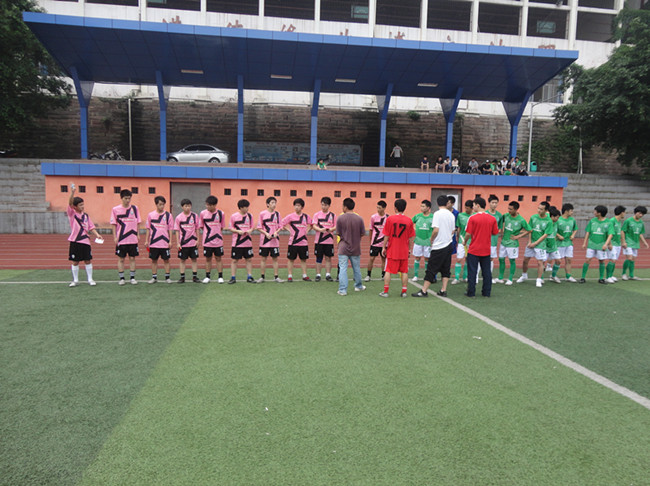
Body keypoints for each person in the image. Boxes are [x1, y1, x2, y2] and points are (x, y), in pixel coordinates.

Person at [412, 195, 456, 298]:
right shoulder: (451, 215)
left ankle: (424, 291)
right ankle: (443, 290)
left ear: (437, 203)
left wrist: (431, 239)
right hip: (448, 244)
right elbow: (453, 230)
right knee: (446, 269)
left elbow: (436, 230)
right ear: (447, 203)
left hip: (439, 246)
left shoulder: (437, 214)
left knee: (431, 268)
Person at [67, 183, 103, 287]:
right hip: (75, 241)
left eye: (83, 204)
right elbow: (70, 203)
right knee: (75, 261)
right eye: (80, 205)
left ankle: (90, 279)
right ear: (75, 207)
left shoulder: (86, 216)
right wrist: (72, 193)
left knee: (88, 260)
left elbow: (91, 227)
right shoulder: (72, 214)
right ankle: (75, 280)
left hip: (85, 241)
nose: (82, 206)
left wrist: (97, 234)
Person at [379, 199, 415, 298]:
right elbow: (411, 237)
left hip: (392, 250)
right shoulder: (409, 220)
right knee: (404, 271)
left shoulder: (390, 219)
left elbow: (386, 235)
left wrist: (383, 247)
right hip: (403, 250)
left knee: (388, 271)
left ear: (395, 208)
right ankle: (404, 292)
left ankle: (385, 291)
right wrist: (409, 249)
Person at [464, 197, 499, 297]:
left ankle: (471, 292)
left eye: (474, 205)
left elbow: (468, 233)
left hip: (474, 249)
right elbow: (495, 232)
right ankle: (486, 292)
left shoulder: (472, 218)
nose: (473, 207)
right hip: (486, 249)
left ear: (478, 205)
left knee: (472, 272)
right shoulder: (492, 219)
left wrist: (465, 242)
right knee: (486, 272)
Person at [517, 201, 553, 288]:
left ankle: (538, 280)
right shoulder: (533, 217)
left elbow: (545, 234)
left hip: (540, 244)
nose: (539, 210)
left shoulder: (549, 221)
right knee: (525, 260)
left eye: (541, 209)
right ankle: (524, 275)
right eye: (538, 208)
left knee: (540, 262)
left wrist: (536, 243)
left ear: (546, 210)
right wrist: (530, 241)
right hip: (531, 243)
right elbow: (530, 230)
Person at [110, 188, 141, 285]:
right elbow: (113, 224)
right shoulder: (115, 209)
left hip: (132, 238)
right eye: (126, 198)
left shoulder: (135, 208)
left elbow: (138, 222)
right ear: (121, 198)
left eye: (129, 198)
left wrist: (138, 234)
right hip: (121, 238)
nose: (128, 200)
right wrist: (115, 237)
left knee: (132, 258)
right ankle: (122, 278)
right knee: (121, 259)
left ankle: (132, 278)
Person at [336, 198, 366, 295]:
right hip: (355, 247)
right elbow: (363, 233)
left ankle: (342, 290)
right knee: (356, 268)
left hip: (343, 247)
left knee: (343, 269)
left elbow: (338, 233)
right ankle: (358, 286)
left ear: (345, 207)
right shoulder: (359, 219)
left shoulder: (340, 218)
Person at [496, 201, 530, 285]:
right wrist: (501, 232)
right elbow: (500, 223)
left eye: (511, 209)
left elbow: (529, 230)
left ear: (516, 209)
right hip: (504, 242)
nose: (509, 210)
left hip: (512, 244)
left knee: (511, 260)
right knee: (501, 259)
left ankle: (510, 279)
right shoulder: (506, 216)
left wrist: (518, 236)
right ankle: (500, 278)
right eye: (508, 208)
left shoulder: (521, 220)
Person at [281, 198, 312, 282]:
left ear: (302, 207)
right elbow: (282, 224)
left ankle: (304, 275)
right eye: (295, 205)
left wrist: (307, 231)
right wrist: (288, 230)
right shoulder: (290, 216)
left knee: (303, 259)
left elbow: (312, 224)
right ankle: (290, 275)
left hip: (303, 242)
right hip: (293, 242)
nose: (296, 207)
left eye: (298, 205)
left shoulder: (306, 217)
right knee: (291, 259)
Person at [581, 205, 614, 284]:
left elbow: (610, 234)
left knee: (602, 261)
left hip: (601, 245)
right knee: (587, 260)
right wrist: (584, 243)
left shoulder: (608, 222)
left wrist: (606, 244)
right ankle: (583, 277)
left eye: (595, 211)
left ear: (599, 213)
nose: (594, 212)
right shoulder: (592, 221)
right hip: (591, 244)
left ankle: (601, 278)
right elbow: (588, 232)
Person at [145, 195, 173, 284]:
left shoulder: (168, 215)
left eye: (163, 204)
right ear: (156, 204)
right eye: (160, 204)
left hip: (164, 242)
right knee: (154, 260)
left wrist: (170, 241)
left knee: (166, 260)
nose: (162, 206)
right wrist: (146, 240)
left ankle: (167, 277)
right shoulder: (151, 215)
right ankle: (154, 277)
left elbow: (170, 229)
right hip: (154, 242)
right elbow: (148, 228)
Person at [199, 195, 225, 284]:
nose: (207, 206)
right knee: (208, 259)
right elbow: (201, 226)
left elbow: (221, 227)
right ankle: (207, 276)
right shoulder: (203, 213)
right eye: (206, 205)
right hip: (207, 241)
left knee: (218, 258)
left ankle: (220, 277)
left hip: (218, 241)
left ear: (214, 205)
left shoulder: (221, 213)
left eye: (209, 205)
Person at [256, 196, 283, 283]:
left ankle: (276, 277)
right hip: (265, 241)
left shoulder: (277, 214)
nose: (274, 204)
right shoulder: (262, 214)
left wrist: (276, 232)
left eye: (275, 203)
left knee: (275, 259)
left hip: (275, 241)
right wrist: (266, 233)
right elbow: (259, 227)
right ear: (267, 204)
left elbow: (280, 226)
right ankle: (262, 277)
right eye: (272, 203)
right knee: (263, 259)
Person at [228, 199, 255, 284]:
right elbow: (230, 228)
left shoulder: (250, 216)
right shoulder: (234, 216)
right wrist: (238, 231)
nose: (247, 208)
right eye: (246, 207)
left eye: (248, 207)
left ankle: (249, 276)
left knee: (249, 260)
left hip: (247, 242)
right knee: (234, 260)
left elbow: (252, 227)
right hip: (237, 243)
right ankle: (233, 277)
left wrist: (250, 230)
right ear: (241, 208)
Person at [174, 198, 200, 283]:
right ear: (182, 207)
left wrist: (198, 240)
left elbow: (197, 229)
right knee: (182, 260)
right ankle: (182, 277)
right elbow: (177, 231)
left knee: (194, 259)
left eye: (189, 206)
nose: (187, 208)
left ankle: (194, 277)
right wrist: (178, 243)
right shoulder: (179, 217)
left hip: (193, 243)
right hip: (183, 243)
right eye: (185, 206)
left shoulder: (195, 216)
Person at [621, 205, 648, 280]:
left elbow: (640, 233)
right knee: (629, 258)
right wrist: (623, 242)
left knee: (633, 259)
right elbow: (622, 231)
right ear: (635, 212)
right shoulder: (628, 221)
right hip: (628, 242)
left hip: (636, 243)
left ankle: (631, 275)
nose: (641, 215)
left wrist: (644, 242)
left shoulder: (641, 222)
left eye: (642, 214)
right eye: (640, 213)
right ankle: (623, 274)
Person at [312, 196, 336, 282]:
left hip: (329, 241)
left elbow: (336, 226)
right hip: (319, 241)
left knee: (328, 258)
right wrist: (320, 230)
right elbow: (314, 225)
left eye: (325, 205)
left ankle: (328, 274)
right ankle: (318, 275)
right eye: (322, 205)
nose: (323, 207)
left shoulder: (333, 215)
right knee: (319, 258)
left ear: (329, 205)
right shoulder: (317, 215)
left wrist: (331, 229)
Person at [451, 199, 473, 284]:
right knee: (459, 259)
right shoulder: (460, 215)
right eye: (465, 207)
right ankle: (456, 278)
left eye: (467, 208)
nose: (466, 209)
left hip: (471, 241)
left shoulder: (474, 216)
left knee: (468, 259)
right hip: (462, 240)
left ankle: (465, 277)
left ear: (472, 208)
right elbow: (459, 228)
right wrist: (458, 239)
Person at [411, 200, 434, 282]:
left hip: (428, 242)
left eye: (423, 206)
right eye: (421, 206)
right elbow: (410, 223)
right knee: (417, 258)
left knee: (427, 259)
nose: (421, 208)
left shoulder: (433, 217)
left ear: (428, 208)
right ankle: (416, 275)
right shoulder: (417, 216)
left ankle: (427, 275)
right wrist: (413, 229)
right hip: (418, 241)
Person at [366, 200, 388, 281]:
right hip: (375, 243)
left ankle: (383, 275)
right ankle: (368, 275)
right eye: (377, 207)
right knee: (371, 258)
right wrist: (370, 241)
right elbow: (371, 229)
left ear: (384, 208)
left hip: (384, 243)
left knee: (384, 259)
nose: (378, 209)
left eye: (380, 208)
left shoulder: (388, 218)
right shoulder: (373, 217)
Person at [556, 203, 578, 282]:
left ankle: (568, 276)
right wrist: (558, 235)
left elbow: (575, 229)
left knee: (569, 259)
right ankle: (554, 275)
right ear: (566, 211)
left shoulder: (572, 220)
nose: (572, 212)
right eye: (571, 211)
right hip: (560, 243)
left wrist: (573, 235)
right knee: (558, 261)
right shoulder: (558, 219)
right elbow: (553, 229)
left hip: (569, 243)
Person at [605, 205, 626, 283]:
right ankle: (607, 277)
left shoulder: (619, 221)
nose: (624, 214)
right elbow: (608, 232)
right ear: (621, 212)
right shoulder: (612, 221)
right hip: (612, 243)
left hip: (617, 243)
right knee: (612, 260)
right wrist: (609, 244)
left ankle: (611, 275)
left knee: (614, 260)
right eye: (624, 212)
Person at [486, 195, 503, 283]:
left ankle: (489, 277)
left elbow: (499, 228)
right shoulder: (485, 214)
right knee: (480, 258)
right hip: (484, 240)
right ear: (489, 203)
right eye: (492, 202)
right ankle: (476, 277)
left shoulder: (499, 215)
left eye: (496, 203)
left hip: (493, 241)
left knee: (491, 259)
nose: (494, 204)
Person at [545, 207, 563, 283]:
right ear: (552, 216)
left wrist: (558, 235)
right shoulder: (546, 223)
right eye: (557, 217)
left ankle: (553, 276)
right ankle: (540, 278)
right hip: (545, 246)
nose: (558, 219)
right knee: (541, 262)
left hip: (553, 246)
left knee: (558, 260)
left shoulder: (556, 223)